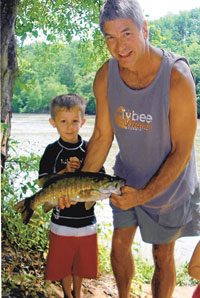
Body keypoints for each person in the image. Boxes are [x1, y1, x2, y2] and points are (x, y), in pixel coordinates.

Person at [75, 0, 199, 297]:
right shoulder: (106, 76)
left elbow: (182, 150)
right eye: (110, 37)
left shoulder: (176, 78)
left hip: (171, 188)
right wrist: (77, 188)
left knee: (162, 256)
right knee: (118, 247)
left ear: (144, 29)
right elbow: (103, 136)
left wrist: (144, 195)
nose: (120, 47)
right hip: (126, 179)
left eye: (127, 33)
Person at [38, 94, 101, 298]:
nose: (69, 126)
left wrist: (83, 169)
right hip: (61, 220)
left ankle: (78, 292)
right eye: (63, 121)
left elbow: (101, 178)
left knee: (80, 264)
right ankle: (67, 293)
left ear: (82, 122)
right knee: (63, 262)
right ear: (53, 122)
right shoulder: (51, 151)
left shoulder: (90, 149)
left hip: (86, 220)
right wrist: (64, 173)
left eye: (75, 121)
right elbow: (43, 181)